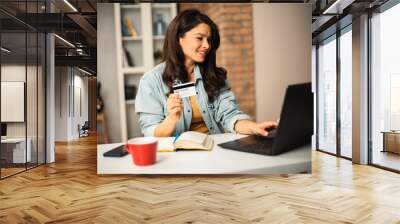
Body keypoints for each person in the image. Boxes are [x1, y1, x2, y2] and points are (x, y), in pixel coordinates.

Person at [135, 9, 277, 137]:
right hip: (177, 157)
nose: (207, 45)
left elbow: (230, 115)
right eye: (199, 38)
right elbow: (150, 132)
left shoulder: (214, 75)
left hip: (215, 150)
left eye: (209, 40)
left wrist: (254, 127)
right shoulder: (151, 81)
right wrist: (171, 119)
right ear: (179, 39)